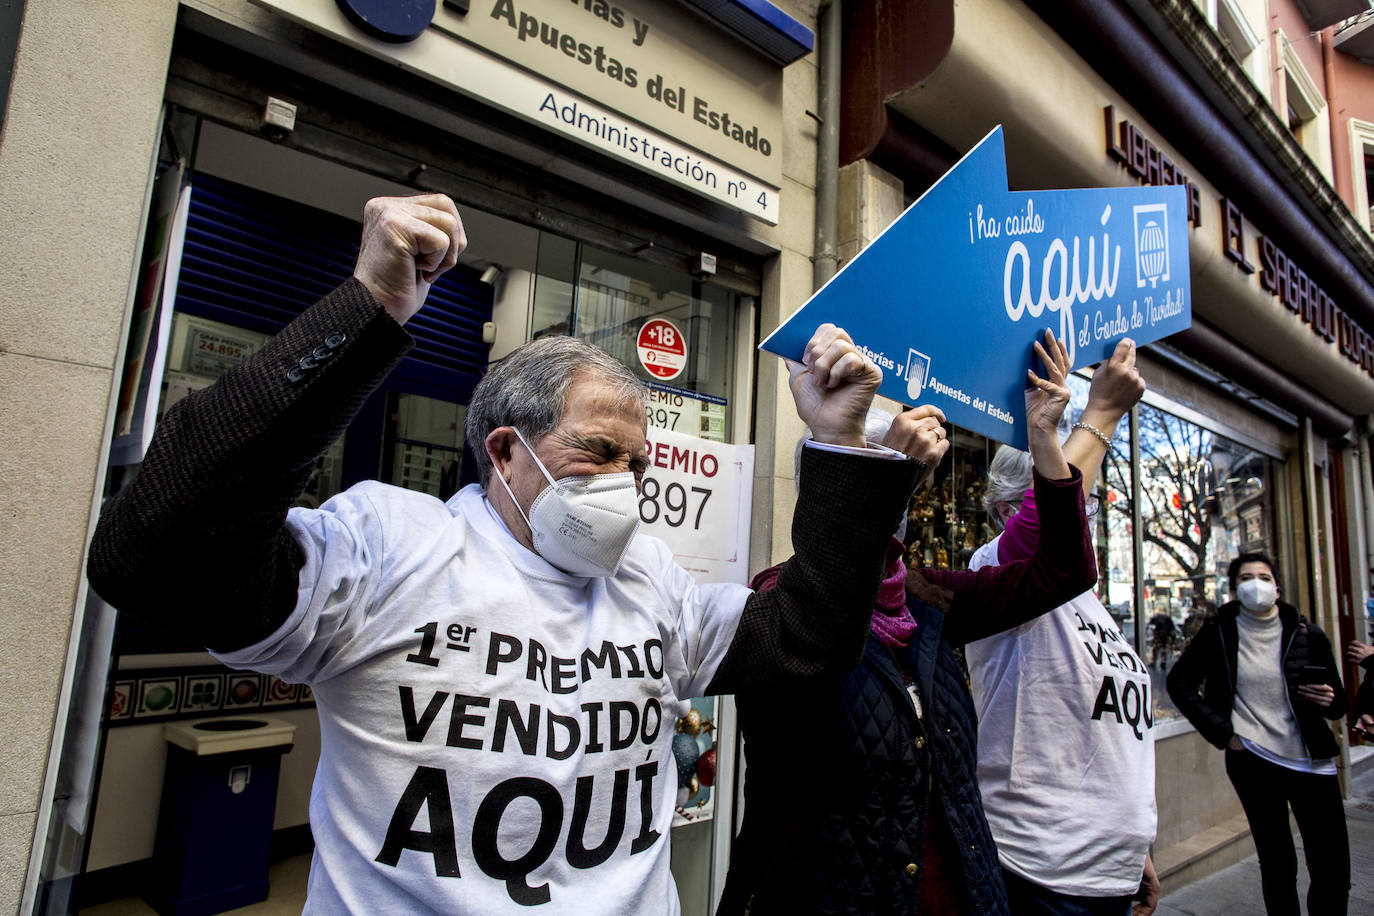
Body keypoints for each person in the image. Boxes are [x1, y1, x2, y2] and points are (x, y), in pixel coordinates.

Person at [86, 194, 927, 913]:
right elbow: (155, 562)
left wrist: (838, 440)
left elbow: (808, 639)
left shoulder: (652, 581)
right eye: (597, 451)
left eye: (639, 463)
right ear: (504, 452)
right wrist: (367, 307)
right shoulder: (391, 550)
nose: (626, 483)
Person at [717, 330, 1098, 916]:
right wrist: (870, 468)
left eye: (904, 479)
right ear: (826, 488)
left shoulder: (926, 599)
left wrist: (1045, 435)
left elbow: (1063, 570)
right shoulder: (780, 607)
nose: (901, 487)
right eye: (876, 471)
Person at [965, 338, 1158, 916]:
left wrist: (1134, 840)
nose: (1085, 511)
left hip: (1108, 871)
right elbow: (1044, 531)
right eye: (1079, 496)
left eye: (1091, 502)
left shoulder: (1091, 605)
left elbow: (1109, 732)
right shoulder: (997, 565)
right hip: (1041, 871)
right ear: (1007, 511)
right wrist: (1101, 414)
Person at [1167, 553, 1350, 916]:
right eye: (1247, 577)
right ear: (1235, 589)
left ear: (1277, 587)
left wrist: (1330, 699)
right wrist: (1224, 733)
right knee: (1278, 865)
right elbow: (1180, 682)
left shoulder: (1306, 632)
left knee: (1332, 871)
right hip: (1254, 760)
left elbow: (1339, 703)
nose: (1256, 584)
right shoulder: (1219, 631)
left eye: (1264, 577)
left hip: (1311, 761)